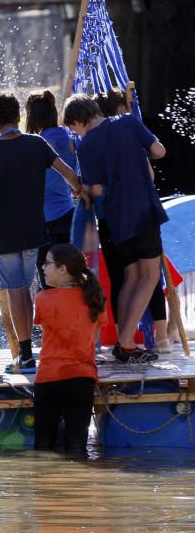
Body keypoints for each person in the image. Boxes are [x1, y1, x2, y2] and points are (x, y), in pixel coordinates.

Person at [0, 91, 85, 373]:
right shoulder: (37, 143)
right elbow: (67, 170)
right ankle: (51, 344)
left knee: (17, 291)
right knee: (33, 288)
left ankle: (26, 355)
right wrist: (77, 188)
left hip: (6, 231)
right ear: (18, 117)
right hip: (35, 228)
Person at [63, 94, 167, 363]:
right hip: (144, 210)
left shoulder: (86, 147)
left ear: (78, 120)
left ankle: (126, 341)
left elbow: (95, 190)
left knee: (131, 277)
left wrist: (81, 191)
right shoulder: (129, 123)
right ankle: (126, 343)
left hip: (115, 220)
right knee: (150, 276)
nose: (74, 132)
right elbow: (159, 151)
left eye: (72, 127)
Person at [35, 243, 107, 455]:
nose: (43, 267)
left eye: (47, 263)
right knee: (78, 447)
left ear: (62, 269)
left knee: (43, 446)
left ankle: (44, 486)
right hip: (82, 378)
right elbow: (94, 337)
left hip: (49, 378)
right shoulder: (94, 298)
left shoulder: (42, 299)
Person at [25, 90, 78, 289]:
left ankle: (53, 316)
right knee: (71, 271)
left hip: (43, 218)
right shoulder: (70, 137)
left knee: (47, 274)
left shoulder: (36, 144)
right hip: (68, 211)